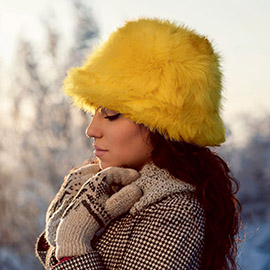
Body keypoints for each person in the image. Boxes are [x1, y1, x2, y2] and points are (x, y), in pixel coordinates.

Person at [36, 18, 241, 270]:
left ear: (161, 124)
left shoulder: (175, 211)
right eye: (94, 113)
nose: (91, 130)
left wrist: (73, 245)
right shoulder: (108, 187)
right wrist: (59, 221)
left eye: (110, 114)